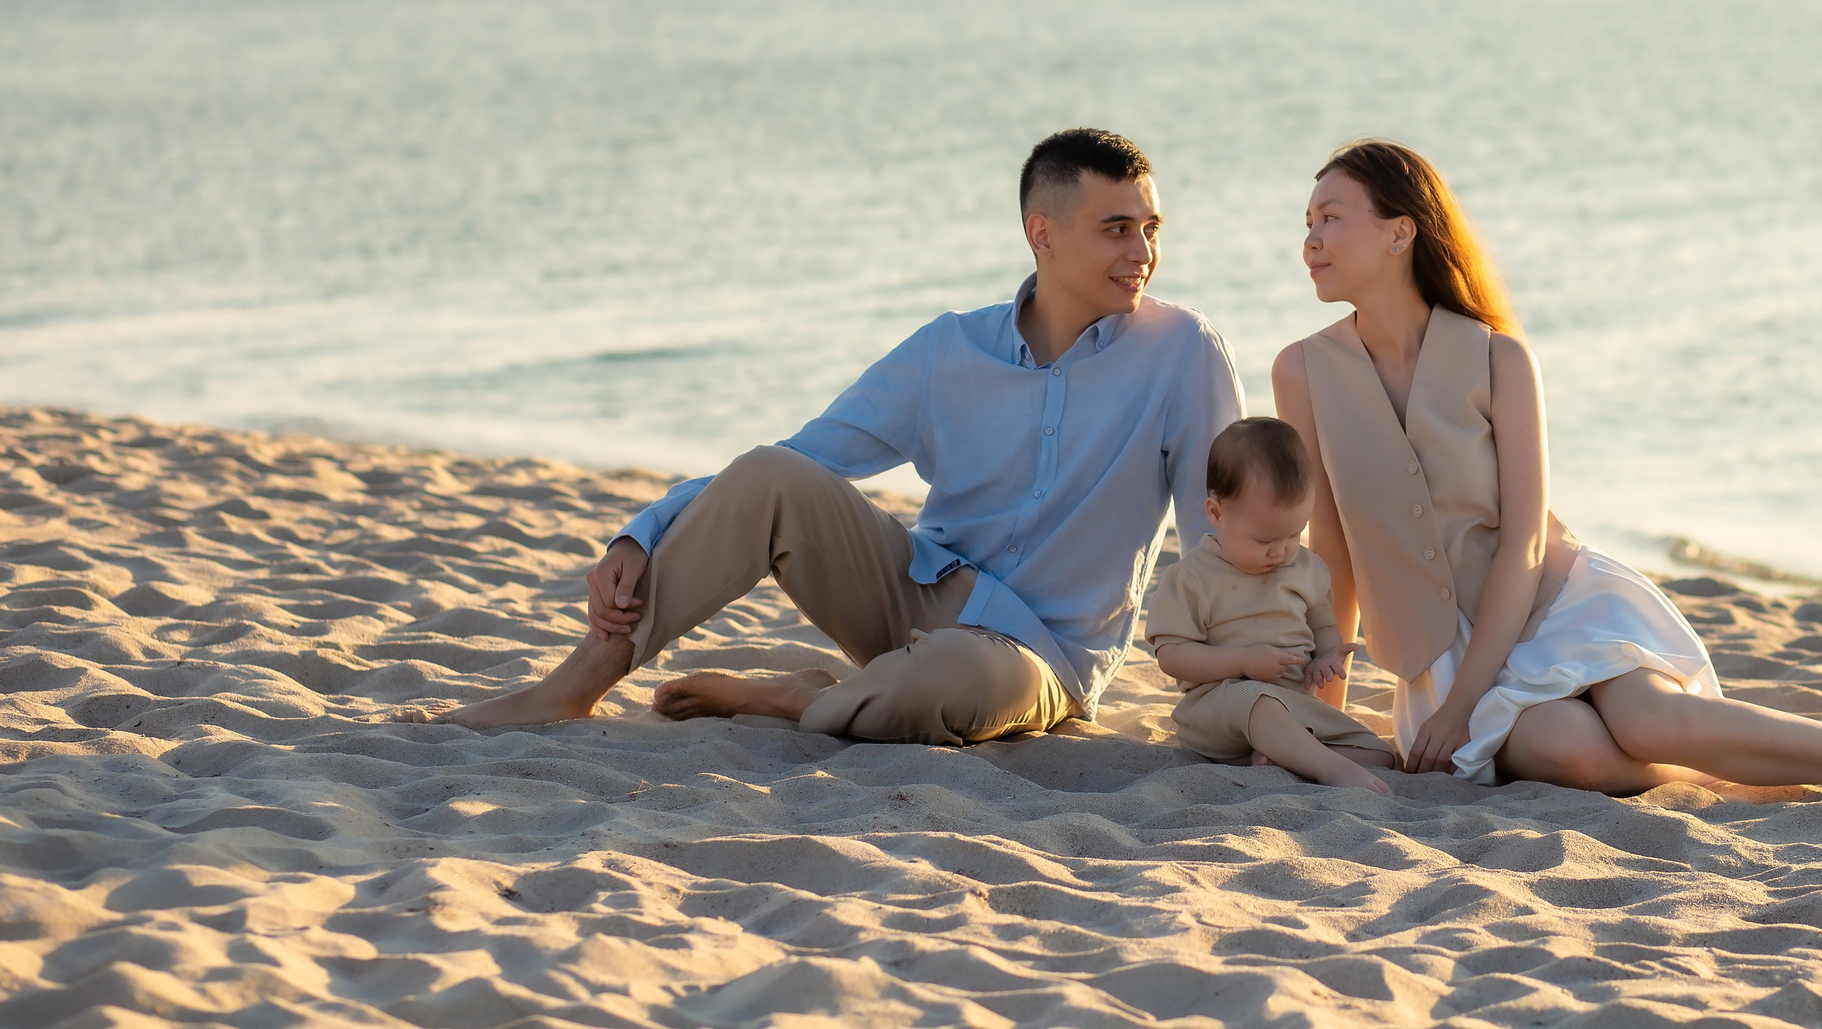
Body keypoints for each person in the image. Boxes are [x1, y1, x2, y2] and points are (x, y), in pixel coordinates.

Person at [1273, 139, 1822, 806]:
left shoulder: (1499, 357)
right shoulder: (1303, 372)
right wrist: (1329, 725)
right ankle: (1729, 779)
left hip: (1551, 603)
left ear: (1400, 233)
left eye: (1331, 219)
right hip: (1436, 652)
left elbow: (1521, 541)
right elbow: (1333, 549)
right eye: (1307, 222)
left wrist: (1466, 701)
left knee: (1650, 721)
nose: (1310, 240)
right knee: (1569, 749)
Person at [430, 127, 1242, 745]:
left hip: (1041, 656)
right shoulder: (948, 349)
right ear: (1044, 234)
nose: (1144, 253)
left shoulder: (1182, 353)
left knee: (952, 678)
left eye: (1152, 227)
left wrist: (1255, 687)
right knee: (769, 473)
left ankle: (797, 695)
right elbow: (804, 458)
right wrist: (643, 531)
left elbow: (1220, 534)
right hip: (919, 597)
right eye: (1117, 228)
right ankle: (576, 682)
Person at [1144, 417, 1393, 792]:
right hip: (1219, 705)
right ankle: (1327, 768)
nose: (1281, 550)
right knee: (1256, 700)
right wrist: (1242, 662)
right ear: (1216, 513)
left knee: (1380, 754)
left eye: (1294, 533)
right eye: (1264, 539)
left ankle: (1277, 756)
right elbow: (1171, 655)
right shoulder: (1192, 577)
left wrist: (1326, 656)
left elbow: (1323, 625)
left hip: (1291, 706)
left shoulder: (1306, 568)